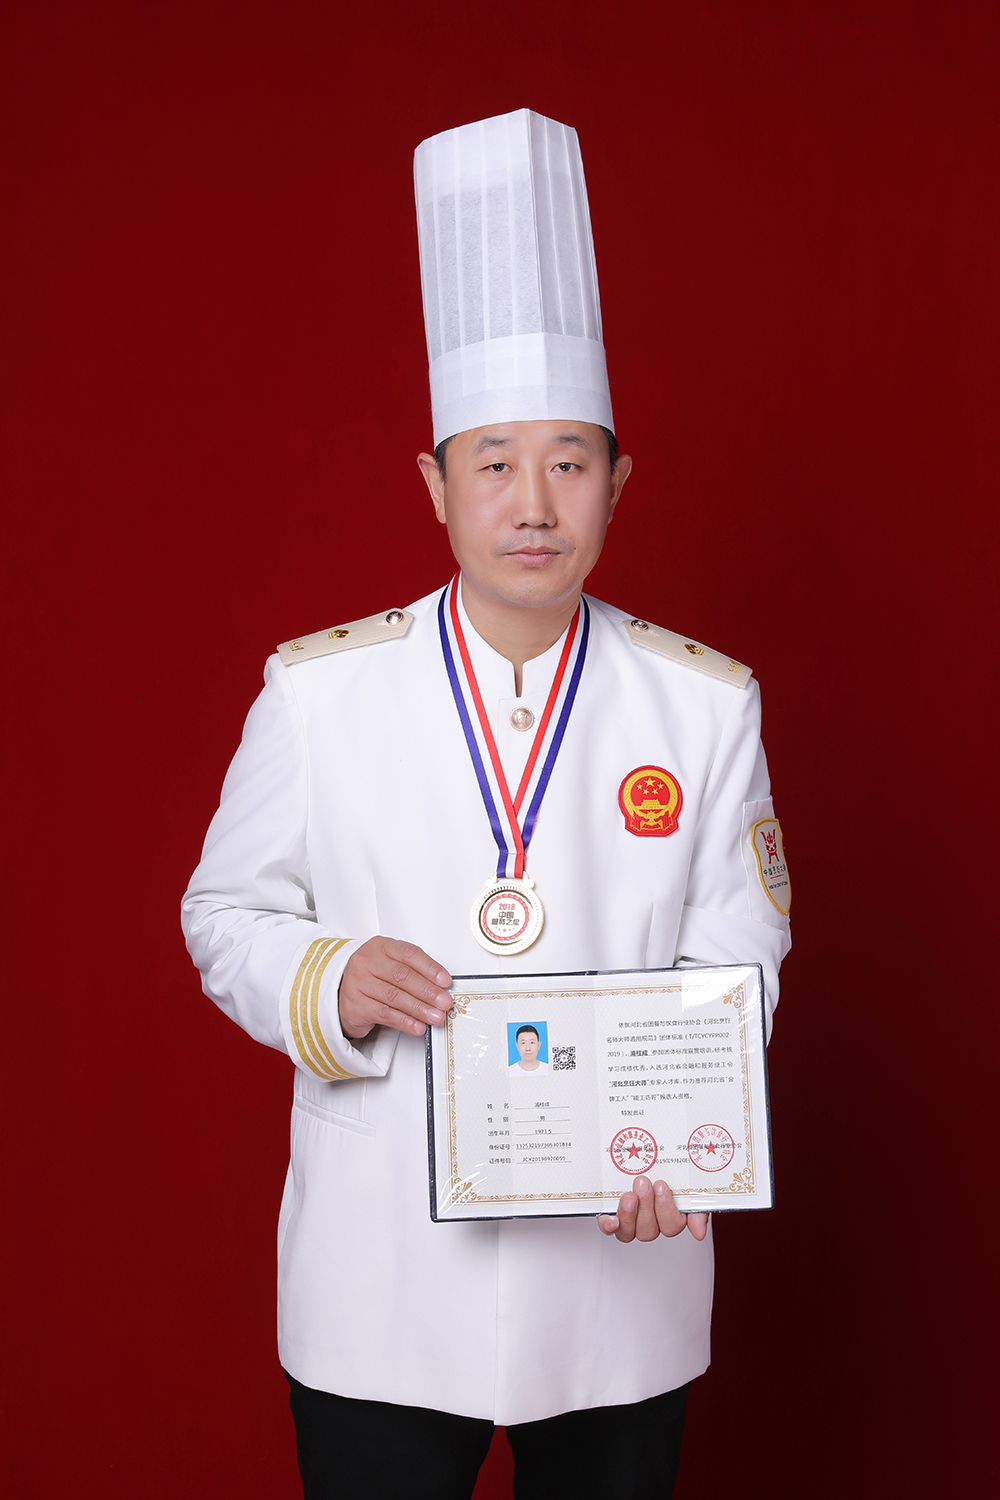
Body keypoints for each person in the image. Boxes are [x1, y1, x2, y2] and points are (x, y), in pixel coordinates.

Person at [182, 108, 790, 1500]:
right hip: (380, 1277)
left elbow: (739, 948)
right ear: (436, 486)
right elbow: (223, 912)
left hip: (619, 1266)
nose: (533, 504)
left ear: (618, 483)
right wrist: (329, 977)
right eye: (495, 462)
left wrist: (689, 1133)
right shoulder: (320, 693)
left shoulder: (704, 706)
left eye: (569, 462)